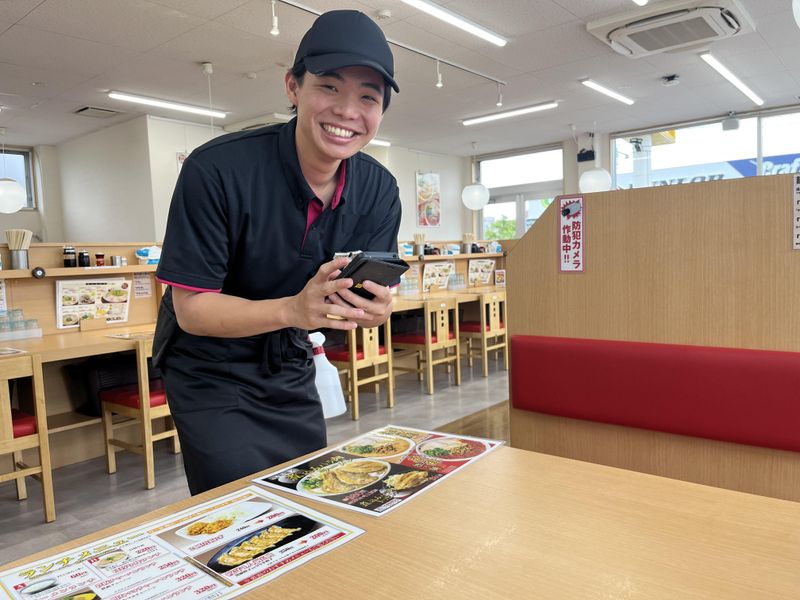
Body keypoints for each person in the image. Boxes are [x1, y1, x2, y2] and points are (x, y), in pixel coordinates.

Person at [152, 10, 401, 495]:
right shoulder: (217, 170)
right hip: (210, 366)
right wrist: (293, 309)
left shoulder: (379, 189)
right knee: (242, 507)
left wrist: (374, 309)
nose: (347, 110)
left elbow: (370, 288)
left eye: (368, 97)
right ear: (293, 87)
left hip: (289, 356)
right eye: (329, 86)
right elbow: (193, 309)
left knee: (304, 493)